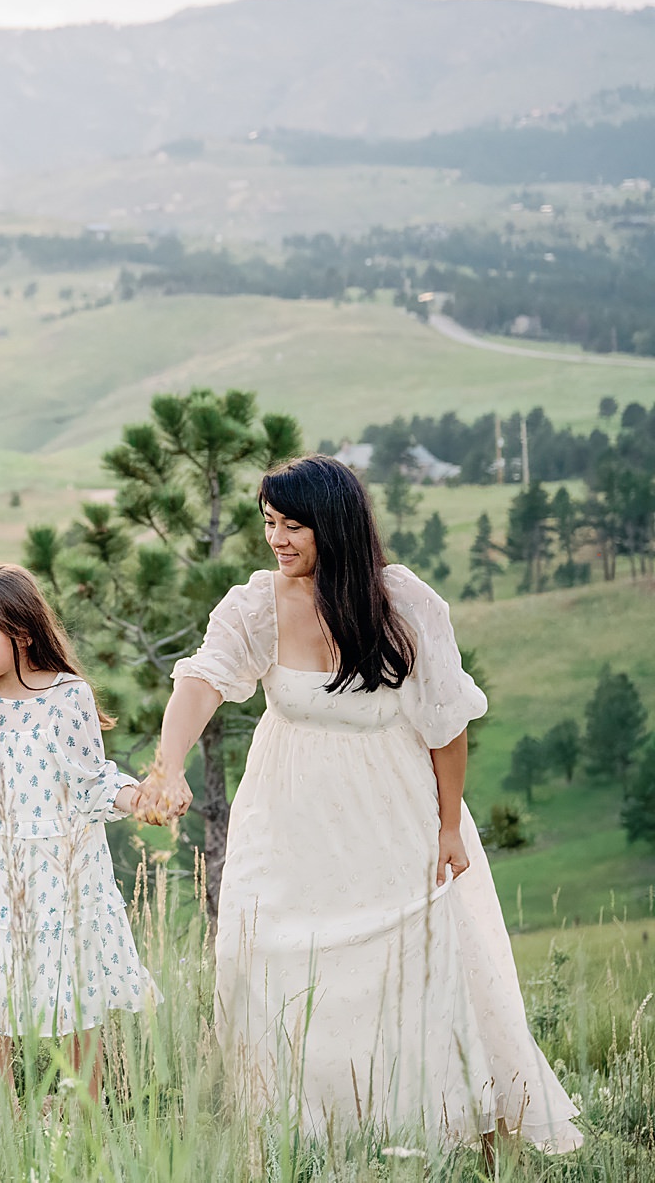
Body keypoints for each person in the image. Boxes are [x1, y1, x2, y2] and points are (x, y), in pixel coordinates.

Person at [137, 455, 581, 1154]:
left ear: (335, 524)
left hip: (392, 805)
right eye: (269, 523)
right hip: (285, 810)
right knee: (260, 954)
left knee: (415, 965)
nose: (277, 539)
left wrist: (448, 825)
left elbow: (446, 722)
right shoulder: (256, 602)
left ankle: (445, 1134)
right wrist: (167, 764)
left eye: (293, 525)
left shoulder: (402, 602)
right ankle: (289, 1135)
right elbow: (203, 679)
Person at [0, 565, 155, 1102]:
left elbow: (90, 781)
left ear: (21, 631)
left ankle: (89, 1111)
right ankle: (0, 1107)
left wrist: (134, 798)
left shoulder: (68, 696)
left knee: (69, 989)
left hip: (58, 866)